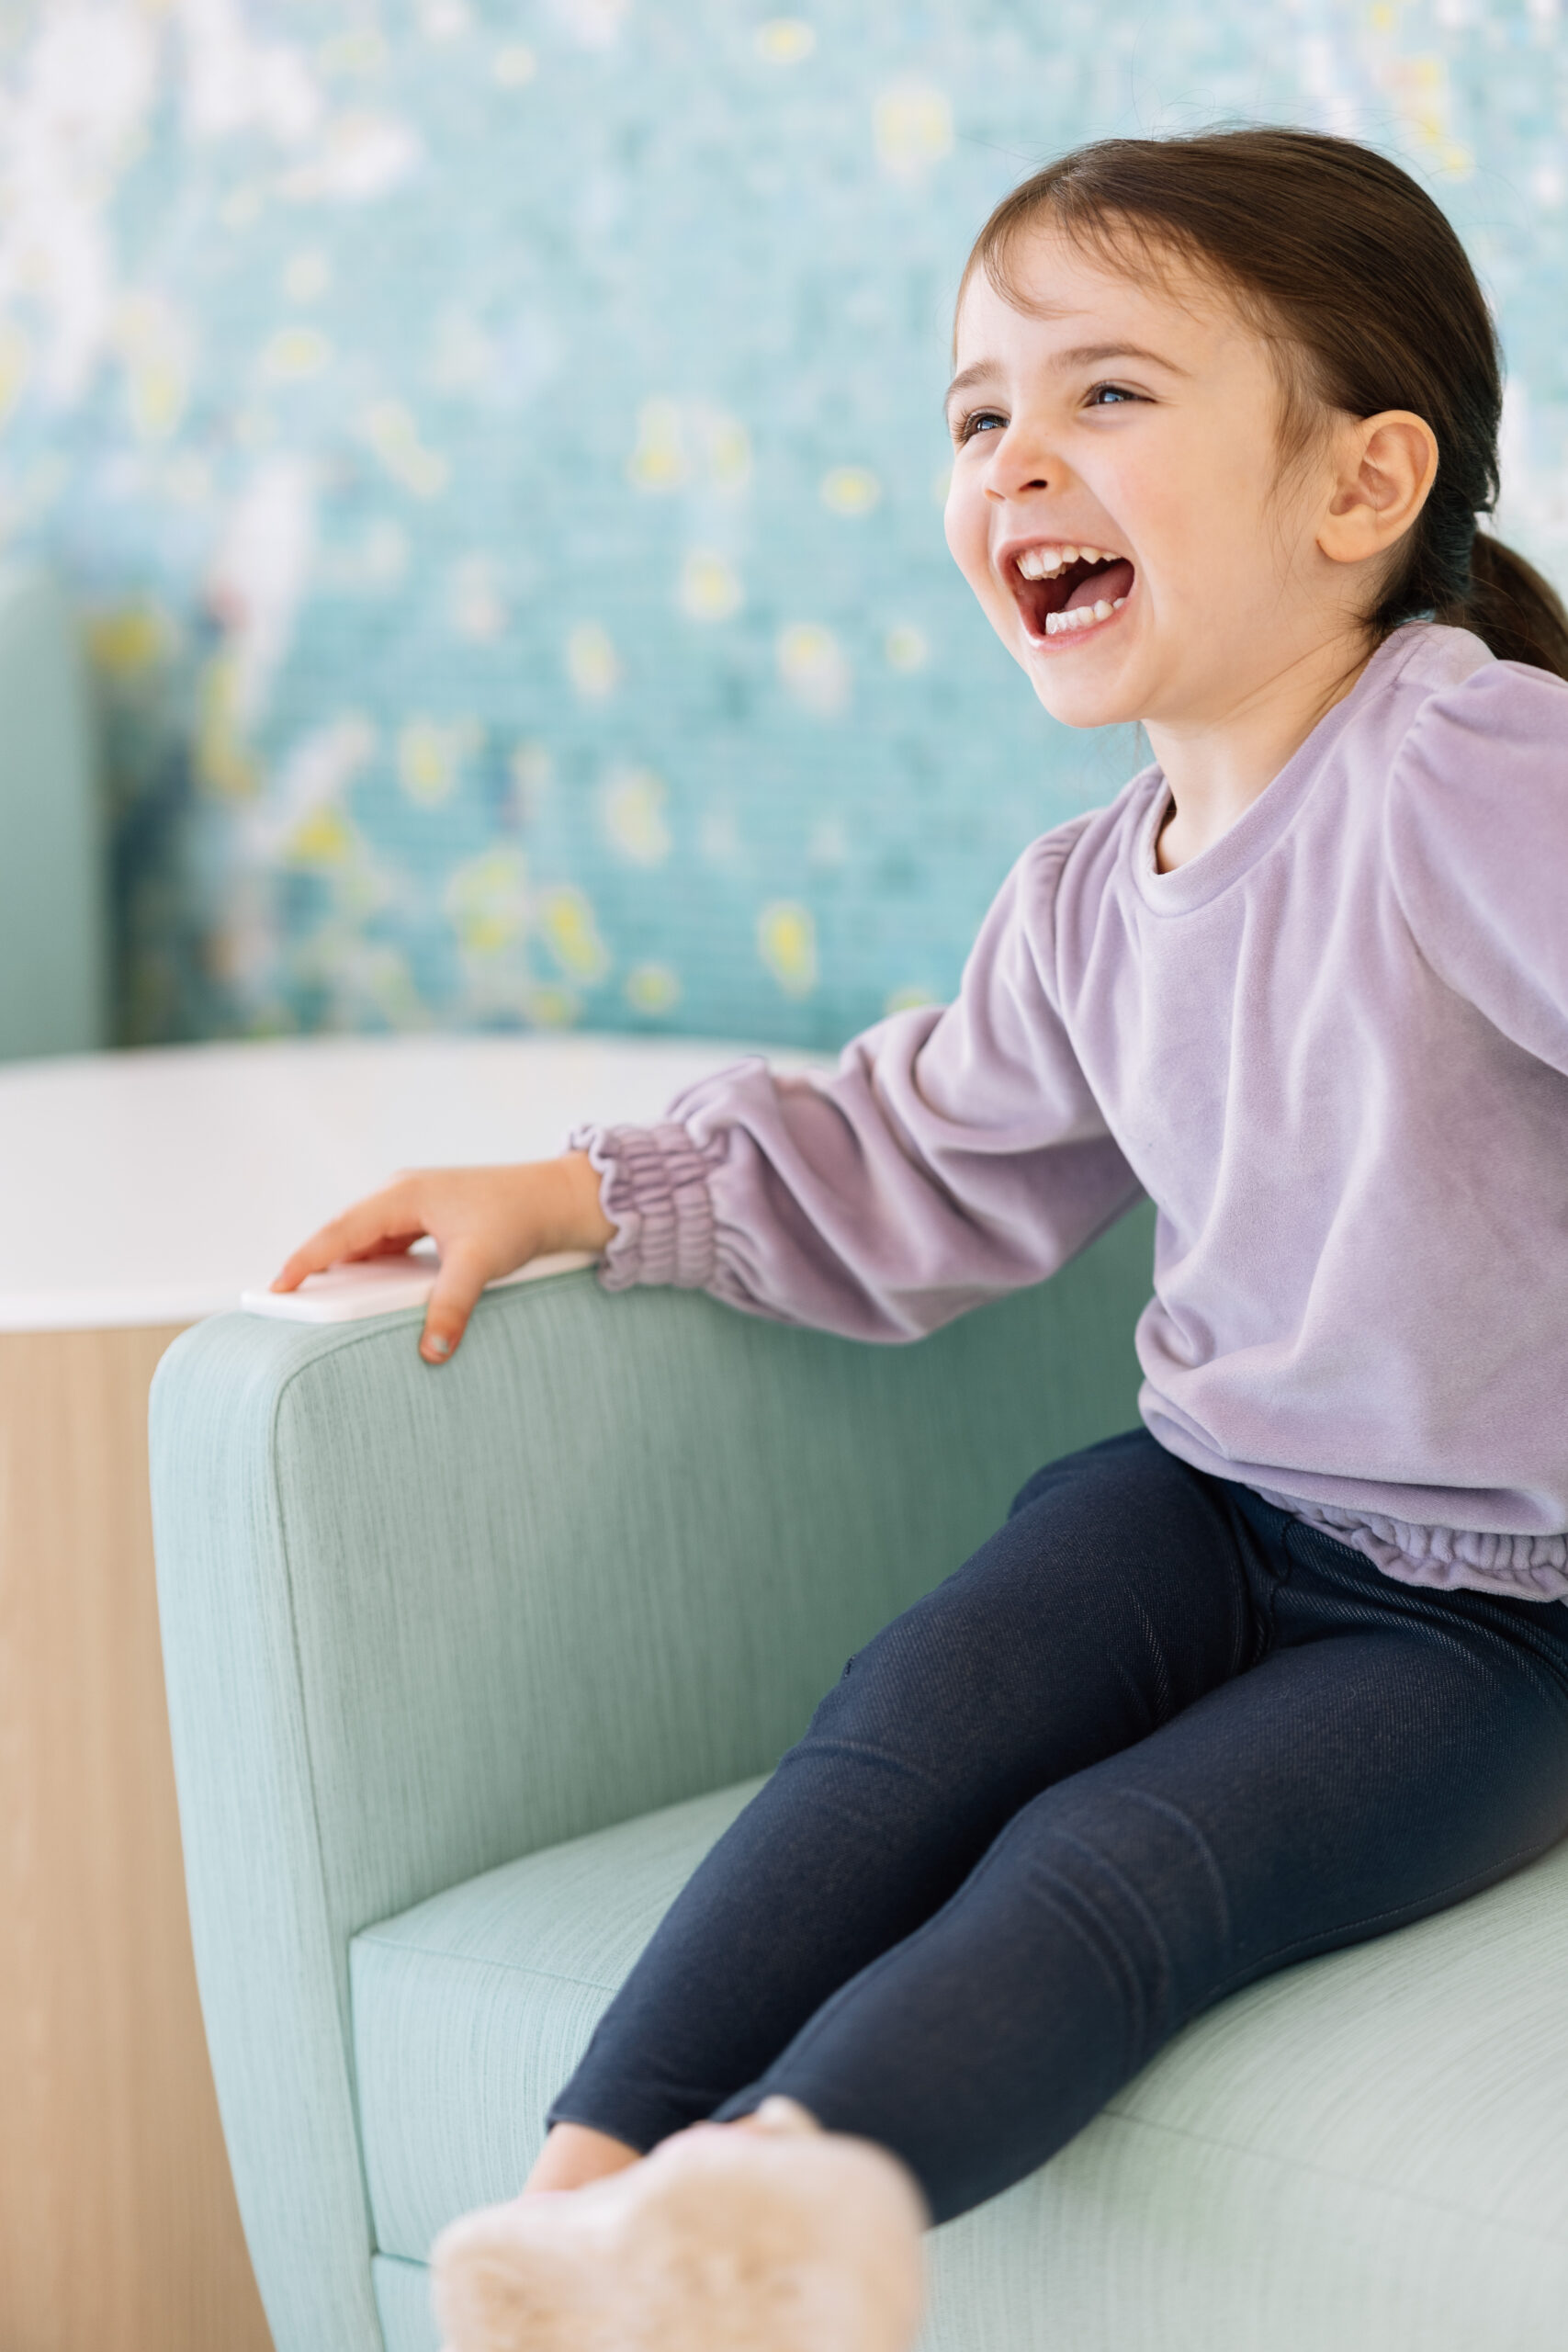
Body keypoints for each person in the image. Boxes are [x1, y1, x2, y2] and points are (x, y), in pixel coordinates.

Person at [273, 126, 1568, 2352]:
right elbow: (911, 1156)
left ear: (1359, 488)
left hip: (1492, 1615)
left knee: (1122, 1864)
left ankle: (786, 2216)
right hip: (1204, 1498)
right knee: (905, 1724)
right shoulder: (1082, 892)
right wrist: (579, 1189)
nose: (1017, 460)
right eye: (979, 415)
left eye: (1104, 394)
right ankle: (582, 2194)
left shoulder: (1461, 764)